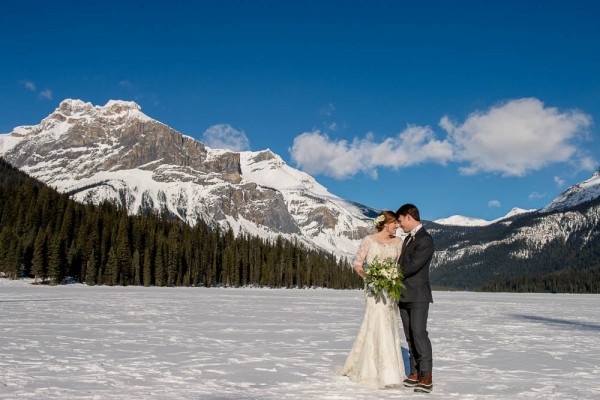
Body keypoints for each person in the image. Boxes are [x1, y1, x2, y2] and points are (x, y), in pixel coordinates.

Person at [338, 211, 405, 389]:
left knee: (388, 323)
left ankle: (391, 370)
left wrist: (393, 277)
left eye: (398, 224)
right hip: (374, 289)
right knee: (376, 322)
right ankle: (373, 369)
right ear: (385, 223)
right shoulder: (369, 240)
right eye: (394, 224)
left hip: (390, 290)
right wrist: (367, 277)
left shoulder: (398, 242)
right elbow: (358, 263)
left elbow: (399, 265)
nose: (397, 226)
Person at [396, 203, 434, 393]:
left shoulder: (425, 240)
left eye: (401, 220)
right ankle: (414, 372)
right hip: (403, 294)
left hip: (418, 295)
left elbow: (413, 266)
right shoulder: (408, 240)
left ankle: (426, 375)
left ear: (409, 217)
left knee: (419, 333)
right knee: (410, 336)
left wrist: (392, 273)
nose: (400, 224)